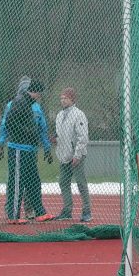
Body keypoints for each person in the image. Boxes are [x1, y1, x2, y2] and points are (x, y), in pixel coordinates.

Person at [0, 77, 54, 224]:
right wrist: (0, 143)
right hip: (18, 148)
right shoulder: (14, 104)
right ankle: (13, 215)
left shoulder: (36, 107)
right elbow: (6, 124)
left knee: (34, 181)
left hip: (31, 150)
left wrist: (47, 148)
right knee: (17, 182)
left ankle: (39, 212)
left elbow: (42, 128)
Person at [52, 87, 92, 222]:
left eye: (66, 98)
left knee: (81, 183)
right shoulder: (59, 115)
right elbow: (60, 134)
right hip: (64, 154)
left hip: (76, 155)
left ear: (72, 99)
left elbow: (83, 137)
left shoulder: (79, 114)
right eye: (61, 98)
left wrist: (77, 155)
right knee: (63, 182)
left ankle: (87, 211)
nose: (63, 100)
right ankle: (67, 210)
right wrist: (55, 139)